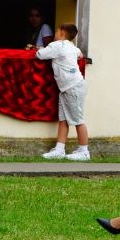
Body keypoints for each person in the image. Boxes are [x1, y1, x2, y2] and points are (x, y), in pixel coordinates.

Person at [38, 24, 89, 161]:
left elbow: (40, 55)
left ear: (61, 32)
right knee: (64, 119)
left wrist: (39, 49)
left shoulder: (57, 46)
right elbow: (80, 54)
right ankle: (59, 149)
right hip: (70, 87)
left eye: (56, 30)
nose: (54, 33)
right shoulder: (71, 46)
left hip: (72, 87)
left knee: (78, 120)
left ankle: (84, 151)